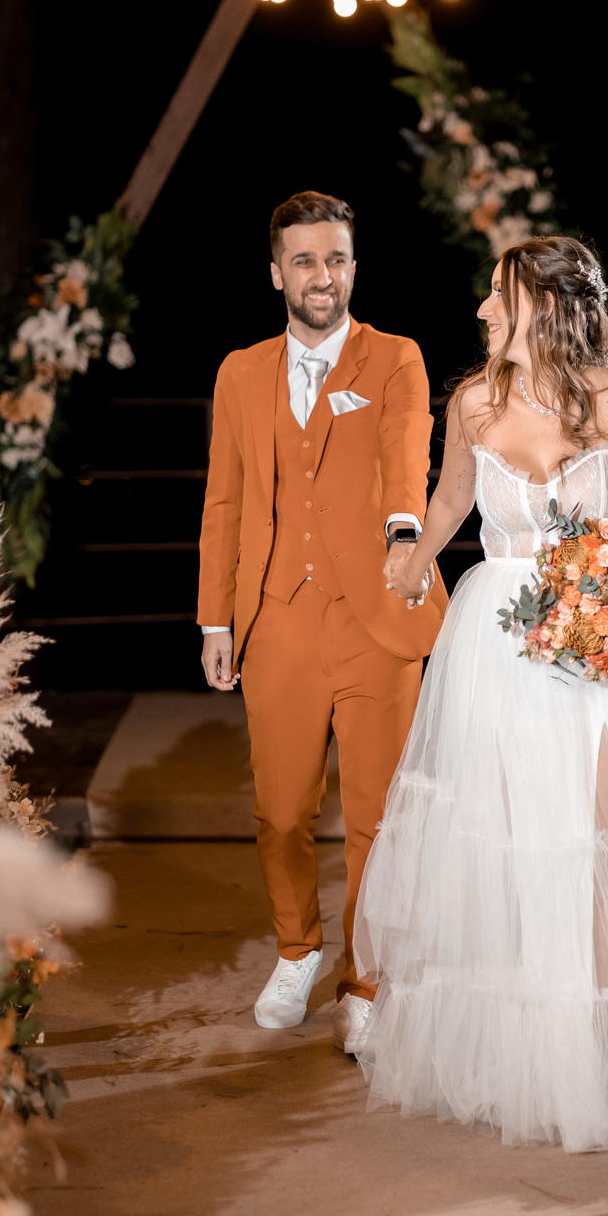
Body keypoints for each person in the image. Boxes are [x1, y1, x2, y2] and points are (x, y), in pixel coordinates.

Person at [352, 235, 608, 1153]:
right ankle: (520, 1064)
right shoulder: (474, 403)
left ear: (548, 307)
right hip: (496, 648)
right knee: (510, 847)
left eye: (500, 294)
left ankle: (601, 1064)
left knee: (598, 850)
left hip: (604, 656)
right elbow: (451, 500)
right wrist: (413, 561)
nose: (483, 310)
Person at [197, 191, 445, 1052]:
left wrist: (405, 534)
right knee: (280, 810)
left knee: (377, 814)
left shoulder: (395, 358)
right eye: (304, 260)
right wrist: (215, 620)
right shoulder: (240, 372)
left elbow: (407, 452)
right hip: (276, 620)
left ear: (353, 267)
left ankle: (366, 979)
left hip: (377, 612)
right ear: (276, 273)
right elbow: (224, 501)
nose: (322, 276)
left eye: (336, 258)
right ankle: (297, 950)